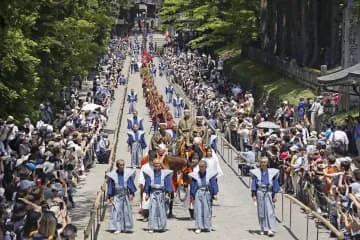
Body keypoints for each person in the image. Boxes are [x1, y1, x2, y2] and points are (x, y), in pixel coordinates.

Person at [250, 157, 280, 237]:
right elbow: (254, 184)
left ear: (267, 163)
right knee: (261, 210)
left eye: (265, 162)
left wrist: (275, 194)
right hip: (260, 192)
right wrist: (253, 194)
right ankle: (262, 227)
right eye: (262, 162)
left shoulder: (272, 172)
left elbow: (275, 184)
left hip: (269, 192)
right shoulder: (256, 173)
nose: (263, 164)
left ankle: (270, 228)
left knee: (270, 210)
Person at [107, 159, 136, 233]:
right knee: (116, 211)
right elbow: (111, 186)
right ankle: (117, 227)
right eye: (121, 165)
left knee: (126, 211)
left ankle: (126, 227)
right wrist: (110, 196)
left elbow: (130, 184)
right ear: (117, 166)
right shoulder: (113, 175)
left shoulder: (127, 174)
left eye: (123, 165)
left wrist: (132, 193)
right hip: (117, 195)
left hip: (125, 195)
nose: (122, 166)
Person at [143, 158, 173, 233]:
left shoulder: (165, 174)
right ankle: (152, 227)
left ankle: (161, 226)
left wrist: (167, 193)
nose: (157, 166)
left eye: (158, 164)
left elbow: (168, 184)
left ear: (161, 165)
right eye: (155, 164)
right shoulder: (149, 173)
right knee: (152, 209)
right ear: (153, 165)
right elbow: (147, 184)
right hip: (153, 193)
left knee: (161, 210)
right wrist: (147, 194)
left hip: (161, 193)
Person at [189, 160, 218, 234]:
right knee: (198, 209)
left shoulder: (210, 175)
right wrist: (192, 195)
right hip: (198, 193)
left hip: (207, 193)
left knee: (207, 209)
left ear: (206, 167)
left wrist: (214, 193)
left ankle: (207, 226)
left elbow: (213, 183)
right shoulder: (195, 175)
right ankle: (198, 227)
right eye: (200, 167)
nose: (201, 168)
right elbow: (193, 186)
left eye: (202, 166)